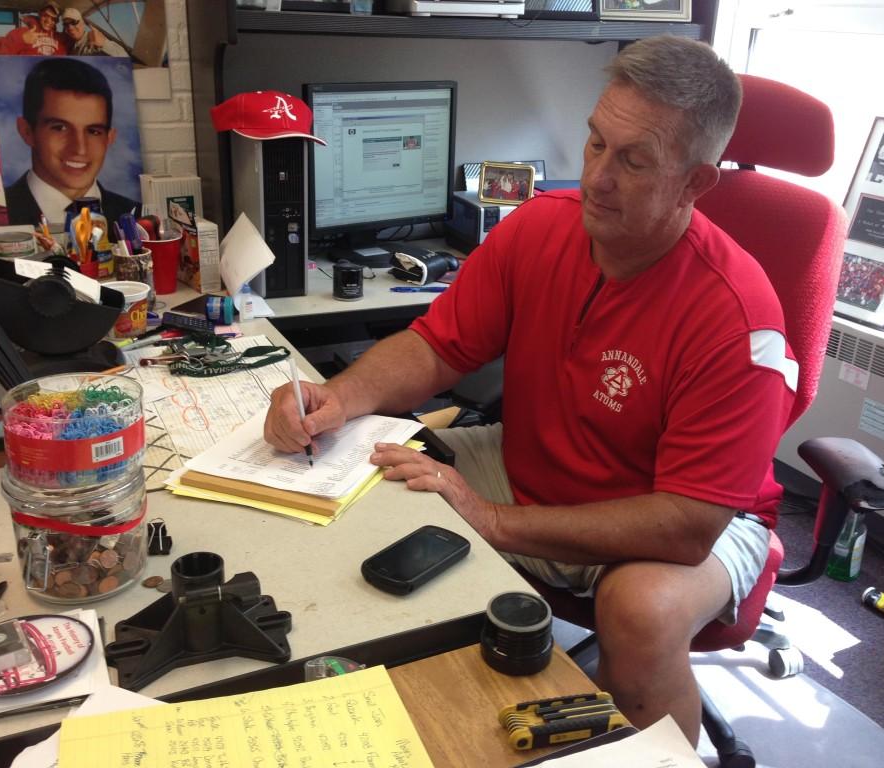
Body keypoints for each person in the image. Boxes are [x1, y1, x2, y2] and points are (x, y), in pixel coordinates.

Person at [263, 35, 796, 745]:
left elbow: (686, 523)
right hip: (535, 462)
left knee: (641, 611)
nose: (598, 178)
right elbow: (436, 346)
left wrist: (491, 520)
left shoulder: (738, 320)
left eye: (634, 161)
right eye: (597, 143)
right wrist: (339, 398)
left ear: (695, 185)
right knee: (362, 467)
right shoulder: (541, 226)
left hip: (689, 516)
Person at [4, 57, 139, 227]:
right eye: (60, 128)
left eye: (93, 131)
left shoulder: (137, 215)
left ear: (109, 138)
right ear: (27, 131)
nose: (80, 149)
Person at [0, 2, 67, 56]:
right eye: (45, 15)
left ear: (56, 21)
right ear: (39, 14)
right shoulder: (22, 32)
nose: (48, 21)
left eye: (53, 18)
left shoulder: (60, 38)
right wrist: (21, 40)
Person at [60, 8, 129, 57]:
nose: (70, 27)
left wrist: (104, 44)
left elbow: (124, 57)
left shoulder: (93, 38)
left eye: (73, 22)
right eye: (66, 24)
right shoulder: (72, 47)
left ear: (82, 23)